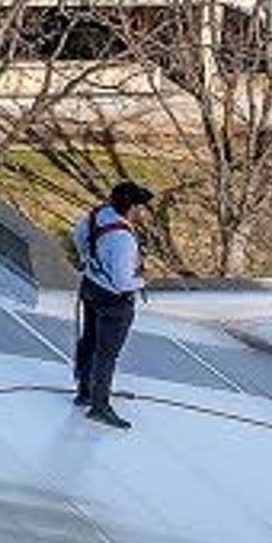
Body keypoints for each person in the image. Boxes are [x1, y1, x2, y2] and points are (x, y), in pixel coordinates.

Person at [71, 180, 153, 429]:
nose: (143, 212)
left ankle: (85, 392)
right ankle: (100, 406)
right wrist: (142, 281)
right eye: (140, 207)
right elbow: (121, 282)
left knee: (89, 341)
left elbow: (78, 235)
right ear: (131, 209)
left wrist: (89, 259)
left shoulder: (99, 215)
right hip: (113, 301)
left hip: (91, 287)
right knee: (106, 354)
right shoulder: (123, 240)